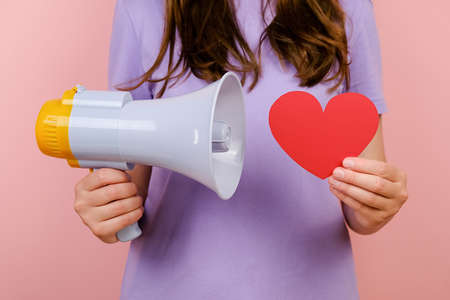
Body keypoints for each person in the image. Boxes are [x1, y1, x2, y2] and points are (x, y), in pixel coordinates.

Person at [72, 0, 408, 298]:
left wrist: (373, 205)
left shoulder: (347, 7)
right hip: (175, 286)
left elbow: (361, 205)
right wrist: (107, 208)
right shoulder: (143, 7)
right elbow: (127, 190)